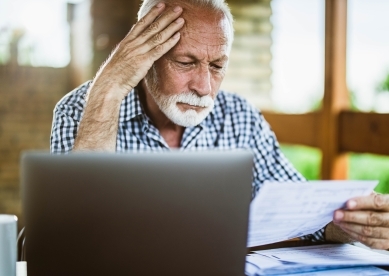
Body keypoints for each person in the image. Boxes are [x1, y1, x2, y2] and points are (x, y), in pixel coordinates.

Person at [50, 0, 389, 250]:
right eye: (186, 62)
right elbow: (75, 234)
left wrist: (349, 224)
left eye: (216, 66)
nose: (204, 86)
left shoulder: (239, 115)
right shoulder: (81, 109)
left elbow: (300, 209)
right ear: (145, 57)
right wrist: (109, 88)